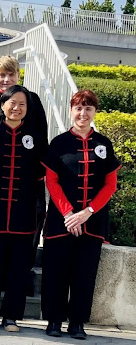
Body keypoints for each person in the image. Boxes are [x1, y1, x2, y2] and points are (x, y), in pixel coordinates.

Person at [41, 90, 120, 340]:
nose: (83, 113)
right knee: (56, 273)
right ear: (71, 111)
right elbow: (51, 181)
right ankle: (54, 320)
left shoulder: (103, 144)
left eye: (88, 109)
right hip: (60, 220)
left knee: (84, 275)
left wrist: (87, 212)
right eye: (78, 108)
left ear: (94, 112)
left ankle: (77, 323)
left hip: (92, 222)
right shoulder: (59, 143)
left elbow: (110, 185)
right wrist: (68, 213)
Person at [0, 86, 47, 332]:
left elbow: (40, 175)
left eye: (22, 104)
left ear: (28, 110)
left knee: (18, 268)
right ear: (2, 105)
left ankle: (11, 316)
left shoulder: (36, 139)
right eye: (12, 103)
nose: (16, 108)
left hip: (23, 213)